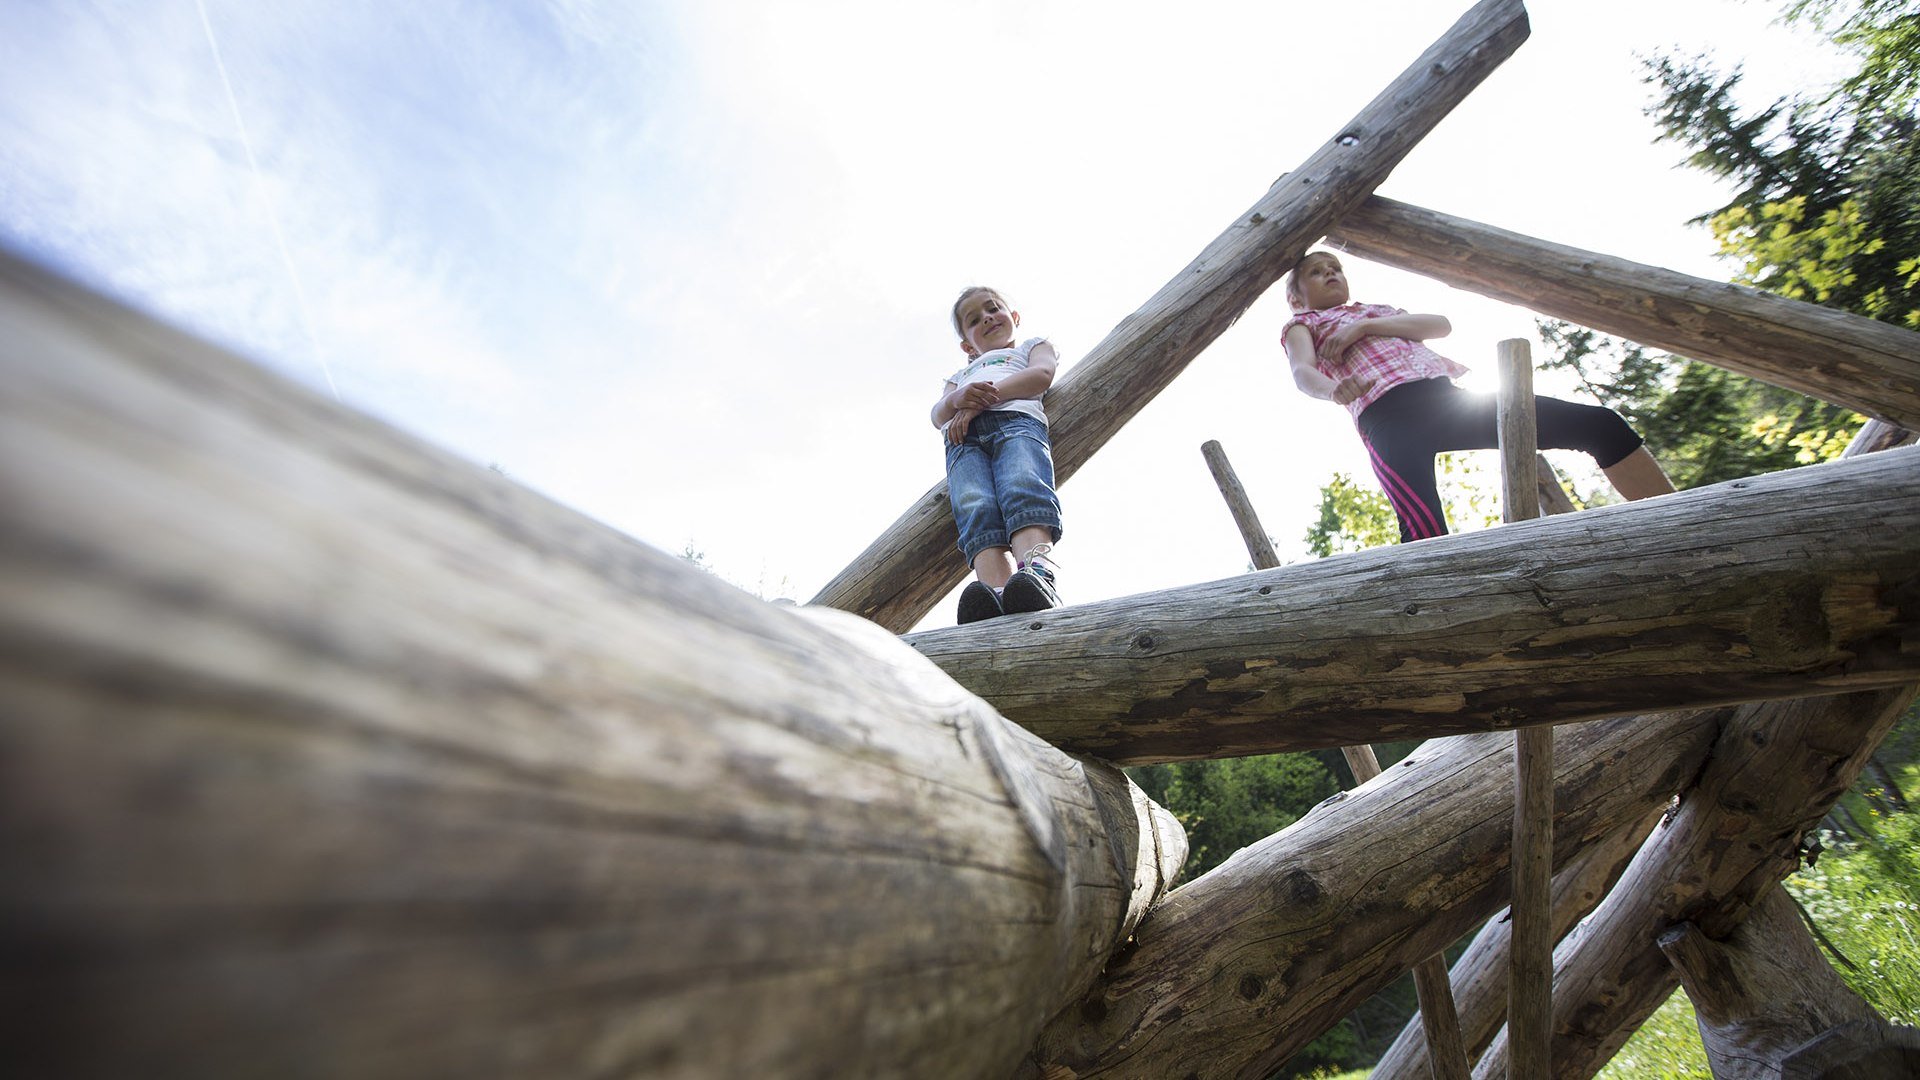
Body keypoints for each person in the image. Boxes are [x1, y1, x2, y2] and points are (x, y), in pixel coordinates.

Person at [1280, 250, 1675, 543]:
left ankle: (1675, 523)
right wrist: (1335, 390)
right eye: (1316, 272)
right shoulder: (1304, 324)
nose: (1330, 272)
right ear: (1297, 299)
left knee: (1601, 425)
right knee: (1423, 529)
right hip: (1388, 421)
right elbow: (1303, 372)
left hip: (1449, 403)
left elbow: (1440, 325)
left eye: (1335, 267)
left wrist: (1364, 328)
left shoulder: (1378, 311)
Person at [932, 286, 1064, 623]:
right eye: (975, 320)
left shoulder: (1032, 347)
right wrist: (958, 400)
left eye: (993, 309)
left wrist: (979, 402)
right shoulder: (959, 378)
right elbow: (937, 415)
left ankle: (1036, 576)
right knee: (975, 508)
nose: (988, 317)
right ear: (967, 346)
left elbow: (1041, 376)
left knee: (1023, 487)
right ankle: (994, 593)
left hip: (1015, 424)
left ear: (1014, 318)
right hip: (964, 444)